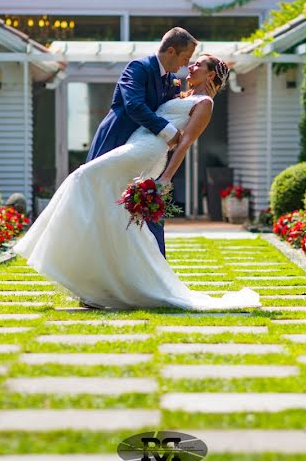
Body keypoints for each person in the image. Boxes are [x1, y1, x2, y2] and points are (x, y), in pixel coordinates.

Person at [14, 51, 261, 311]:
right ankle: (112, 281)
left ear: (210, 74)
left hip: (148, 151)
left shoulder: (205, 103)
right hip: (138, 142)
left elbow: (185, 143)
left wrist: (165, 178)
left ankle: (63, 254)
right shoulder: (182, 95)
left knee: (82, 177)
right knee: (116, 213)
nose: (191, 65)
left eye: (198, 64)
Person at [86, 27, 196, 257]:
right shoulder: (138, 68)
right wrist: (169, 132)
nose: (185, 66)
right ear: (171, 51)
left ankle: (157, 267)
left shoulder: (172, 81)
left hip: (146, 152)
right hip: (116, 141)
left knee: (147, 205)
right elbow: (134, 106)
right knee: (104, 206)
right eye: (185, 59)